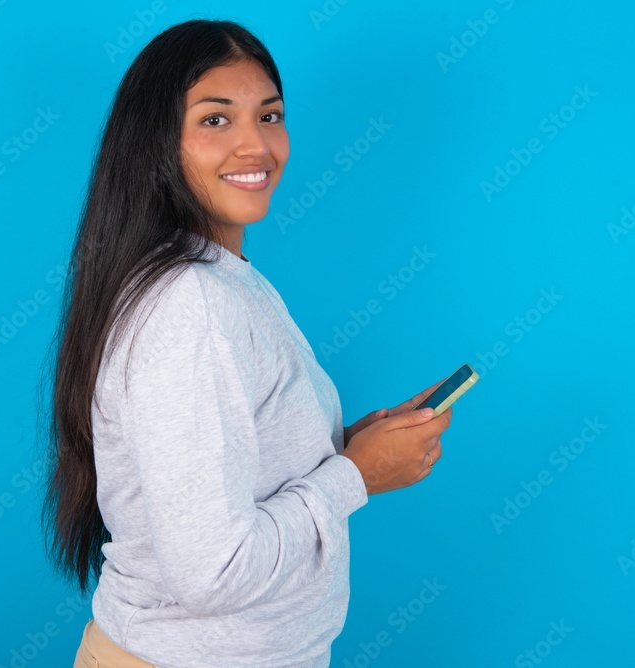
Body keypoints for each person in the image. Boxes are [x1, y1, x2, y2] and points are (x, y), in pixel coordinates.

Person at [43, 18, 453, 668]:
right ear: (157, 141)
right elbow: (215, 573)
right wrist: (356, 475)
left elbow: (232, 465)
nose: (255, 144)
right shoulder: (191, 305)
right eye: (215, 119)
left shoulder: (220, 278)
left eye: (270, 115)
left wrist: (342, 447)